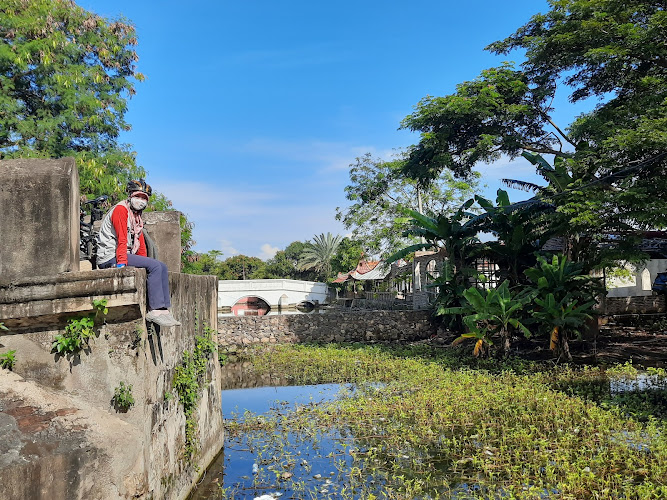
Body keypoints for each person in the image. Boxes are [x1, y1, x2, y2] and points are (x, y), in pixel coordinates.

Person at [97, 179, 181, 327]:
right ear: (130, 195)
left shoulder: (136, 216)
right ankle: (154, 310)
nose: (141, 201)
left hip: (123, 254)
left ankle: (164, 309)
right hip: (111, 256)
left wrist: (143, 264)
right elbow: (122, 238)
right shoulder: (120, 210)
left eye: (144, 198)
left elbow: (140, 243)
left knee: (161, 266)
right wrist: (121, 265)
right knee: (155, 266)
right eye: (138, 196)